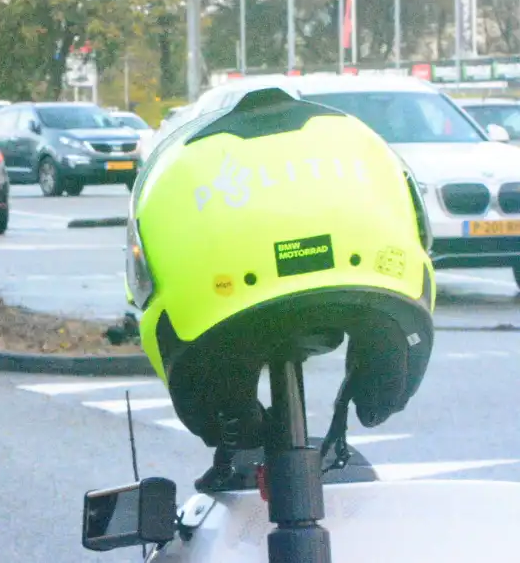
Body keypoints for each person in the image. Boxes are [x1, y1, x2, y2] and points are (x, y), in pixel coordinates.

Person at [120, 87, 436, 492]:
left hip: (217, 300)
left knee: (221, 366)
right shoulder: (355, 145)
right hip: (370, 278)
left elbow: (148, 292)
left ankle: (237, 416)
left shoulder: (180, 172)